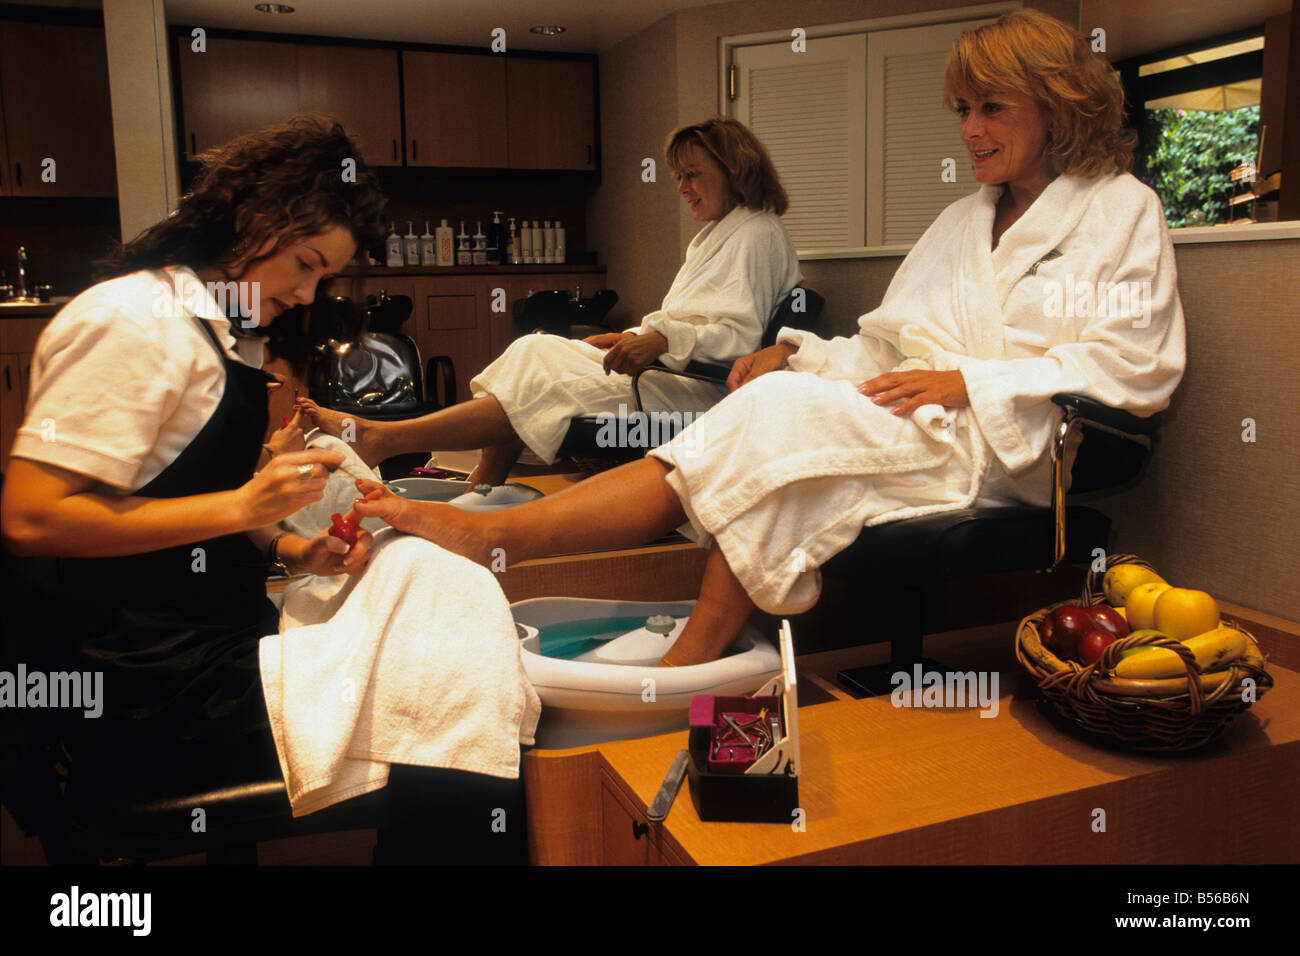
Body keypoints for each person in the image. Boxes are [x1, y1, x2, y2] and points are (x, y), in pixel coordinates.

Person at [341, 9, 1187, 667]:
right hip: (920, 420)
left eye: (992, 108)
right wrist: (802, 351)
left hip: (1021, 444)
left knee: (782, 420)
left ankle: (514, 540)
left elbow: (1134, 366)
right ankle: (689, 653)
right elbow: (890, 342)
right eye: (964, 109)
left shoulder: (1121, 211)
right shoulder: (965, 218)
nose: (969, 129)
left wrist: (973, 386)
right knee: (785, 439)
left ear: (1060, 103)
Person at [0, 115, 534, 863]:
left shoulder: (220, 331)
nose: (308, 292)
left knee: (450, 649)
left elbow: (183, 497)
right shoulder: (133, 323)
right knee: (452, 725)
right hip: (153, 691)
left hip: (212, 642)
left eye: (325, 276)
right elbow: (30, 518)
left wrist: (290, 546)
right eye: (306, 264)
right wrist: (245, 506)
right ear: (252, 220)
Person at [296, 117, 802, 486]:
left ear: (733, 168)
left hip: (696, 394)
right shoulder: (718, 235)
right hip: (669, 370)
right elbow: (695, 320)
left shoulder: (757, 233)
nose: (681, 188)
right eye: (677, 176)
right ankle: (482, 479)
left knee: (539, 365)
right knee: (533, 348)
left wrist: (660, 339)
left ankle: (392, 440)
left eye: (692, 174)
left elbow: (739, 341)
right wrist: (636, 336)